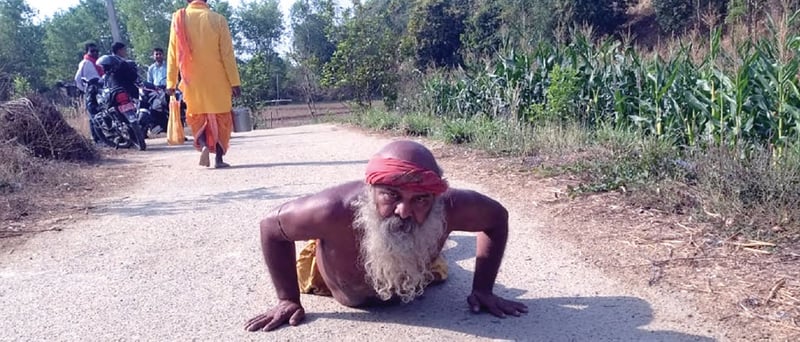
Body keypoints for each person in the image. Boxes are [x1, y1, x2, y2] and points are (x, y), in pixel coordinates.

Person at [245, 140, 528, 332]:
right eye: (391, 195)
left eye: (420, 200)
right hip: (331, 278)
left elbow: (497, 218)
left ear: (436, 198)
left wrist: (483, 289)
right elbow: (271, 227)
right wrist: (288, 298)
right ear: (370, 191)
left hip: (417, 268)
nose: (403, 211)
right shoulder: (333, 211)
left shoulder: (449, 207)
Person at [166, 0, 241, 168]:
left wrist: (170, 82)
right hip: (218, 79)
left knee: (197, 116)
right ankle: (219, 159)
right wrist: (234, 82)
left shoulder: (179, 18)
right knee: (222, 118)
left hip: (192, 80)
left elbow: (173, 53)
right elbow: (227, 54)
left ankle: (205, 146)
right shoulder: (218, 19)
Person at [73, 42, 104, 145]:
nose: (95, 53)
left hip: (101, 89)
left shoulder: (100, 63)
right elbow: (77, 79)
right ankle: (97, 139)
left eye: (96, 51)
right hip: (91, 90)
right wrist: (85, 90)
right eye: (92, 51)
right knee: (93, 115)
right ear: (87, 52)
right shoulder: (85, 63)